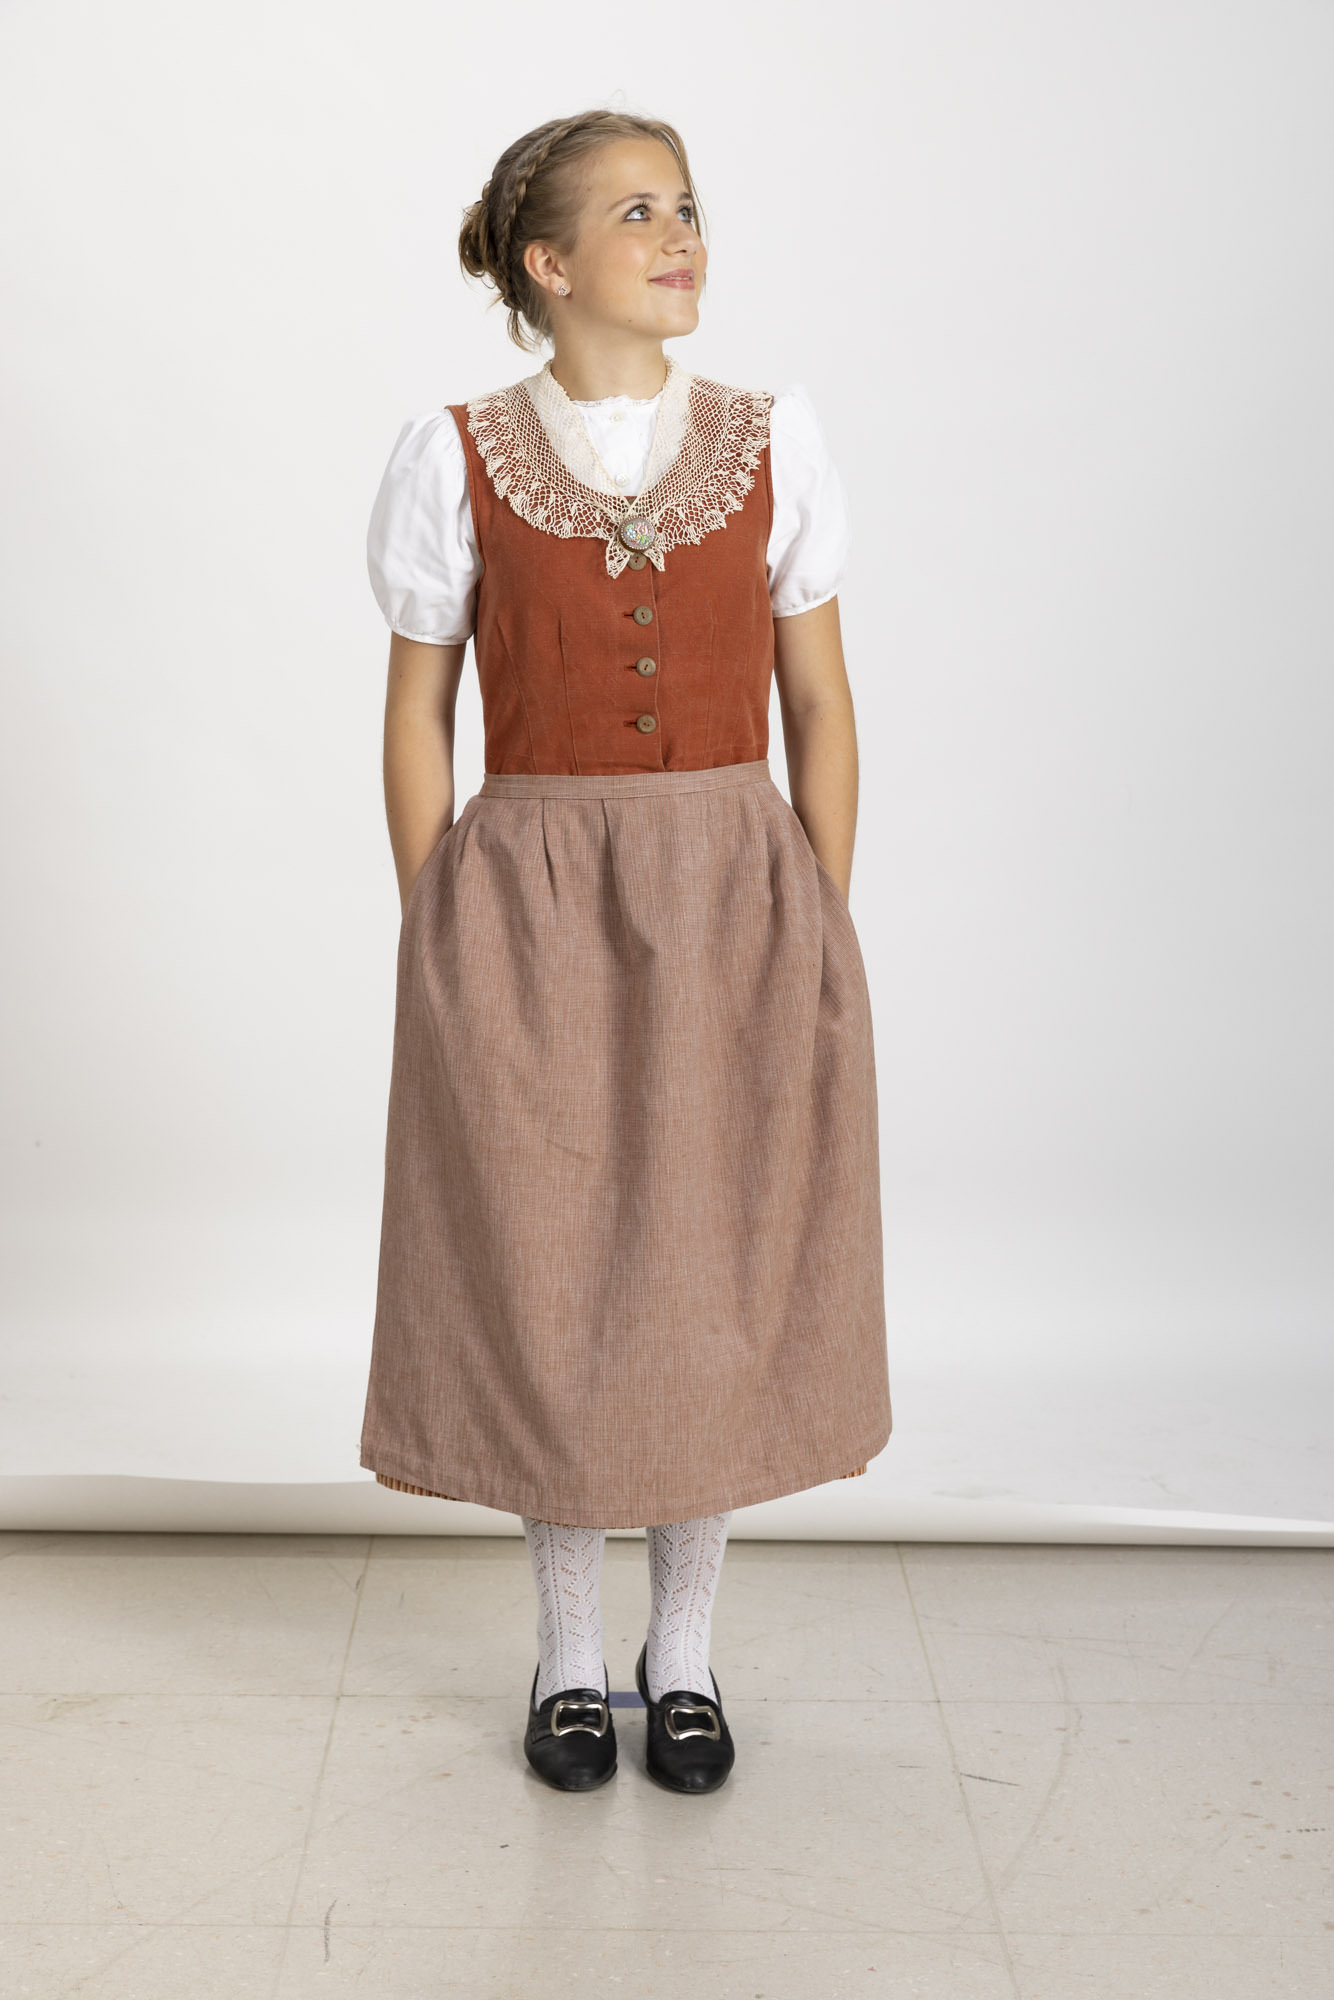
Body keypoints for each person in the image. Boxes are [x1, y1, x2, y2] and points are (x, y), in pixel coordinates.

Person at [359, 109, 892, 1795]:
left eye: (688, 208)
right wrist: (437, 921)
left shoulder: (769, 440)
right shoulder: (454, 452)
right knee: (550, 1265)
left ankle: (686, 1651)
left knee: (704, 1271)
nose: (681, 238)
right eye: (639, 213)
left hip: (733, 887)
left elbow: (819, 700)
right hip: (527, 895)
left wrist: (816, 912)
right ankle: (571, 1653)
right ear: (548, 262)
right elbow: (416, 714)